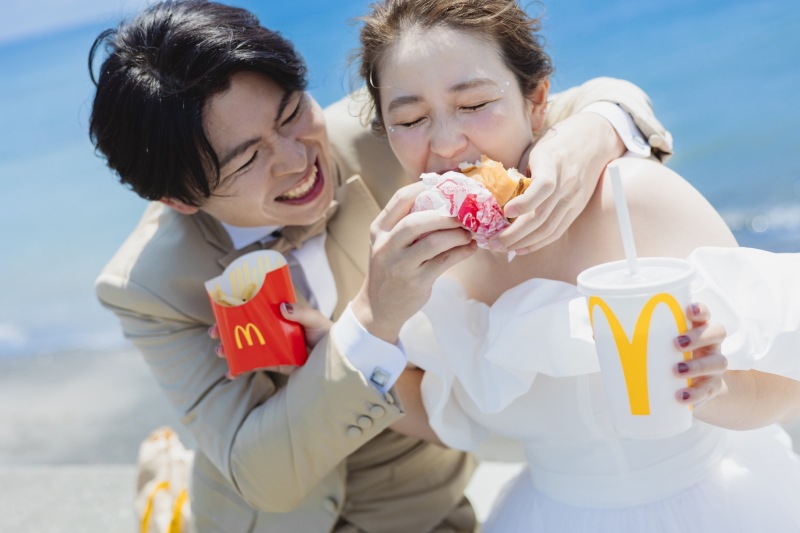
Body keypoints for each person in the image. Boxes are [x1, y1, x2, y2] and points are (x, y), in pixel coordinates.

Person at [89, 0, 680, 531]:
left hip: (424, 511)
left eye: (292, 112)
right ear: (180, 201)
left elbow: (591, 99)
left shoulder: (397, 128)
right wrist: (372, 320)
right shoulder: (147, 286)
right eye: (248, 160)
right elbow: (260, 475)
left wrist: (590, 137)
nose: (297, 160)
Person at [352, 0, 800, 531]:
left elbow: (783, 381)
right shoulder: (423, 264)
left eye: (473, 104)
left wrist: (716, 390)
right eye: (410, 119)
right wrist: (354, 327)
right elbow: (446, 415)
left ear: (537, 100)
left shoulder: (632, 197)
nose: (447, 143)